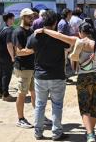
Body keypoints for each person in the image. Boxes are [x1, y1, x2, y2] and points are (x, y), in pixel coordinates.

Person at [34, 19, 96, 142]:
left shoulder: (77, 41)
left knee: (84, 106)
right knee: (95, 105)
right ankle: (90, 132)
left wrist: (44, 30)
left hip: (83, 77)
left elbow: (59, 36)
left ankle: (90, 134)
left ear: (80, 32)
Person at [26, 10, 70, 141]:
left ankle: (38, 132)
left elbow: (29, 47)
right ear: (55, 22)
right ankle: (57, 133)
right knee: (57, 105)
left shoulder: (35, 36)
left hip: (40, 75)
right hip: (57, 75)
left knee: (40, 104)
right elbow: (69, 45)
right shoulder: (59, 37)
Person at [12, 8, 49, 128]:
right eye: (29, 17)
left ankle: (39, 116)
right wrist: (35, 50)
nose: (32, 19)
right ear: (23, 18)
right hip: (24, 68)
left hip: (33, 67)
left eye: (32, 17)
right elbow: (19, 52)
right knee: (22, 94)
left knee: (35, 93)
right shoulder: (18, 32)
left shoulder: (31, 31)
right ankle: (20, 119)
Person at [0, 13, 16, 102]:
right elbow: (9, 44)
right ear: (9, 19)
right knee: (6, 75)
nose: (14, 20)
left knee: (1, 73)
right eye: (12, 18)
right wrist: (12, 56)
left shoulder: (3, 30)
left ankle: (0, 92)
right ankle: (6, 94)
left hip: (0, 55)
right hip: (6, 56)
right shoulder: (9, 31)